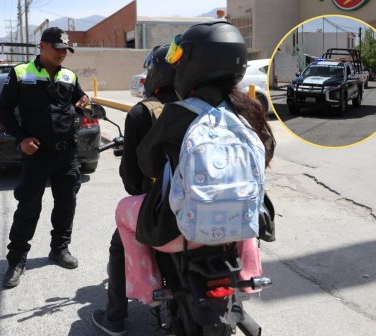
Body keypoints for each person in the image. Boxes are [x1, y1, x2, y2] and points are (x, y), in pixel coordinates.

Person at [110, 20, 276, 325]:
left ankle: (147, 290)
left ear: (195, 65)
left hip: (181, 230)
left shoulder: (178, 112)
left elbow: (146, 163)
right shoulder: (249, 108)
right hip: (241, 230)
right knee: (242, 204)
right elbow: (267, 153)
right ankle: (250, 275)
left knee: (123, 212)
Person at [92, 45, 178, 336]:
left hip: (161, 211)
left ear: (156, 73)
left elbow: (131, 182)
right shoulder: (204, 105)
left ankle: (114, 318)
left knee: (119, 244)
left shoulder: (142, 113)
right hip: (209, 206)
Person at [0, 27, 91, 288]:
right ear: (42, 46)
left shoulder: (70, 76)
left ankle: (59, 249)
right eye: (57, 48)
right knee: (28, 206)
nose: (62, 54)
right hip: (36, 155)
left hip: (66, 154)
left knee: (66, 203)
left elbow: (80, 105)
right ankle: (16, 259)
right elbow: (4, 110)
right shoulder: (20, 73)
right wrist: (21, 138)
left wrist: (84, 105)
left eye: (65, 50)